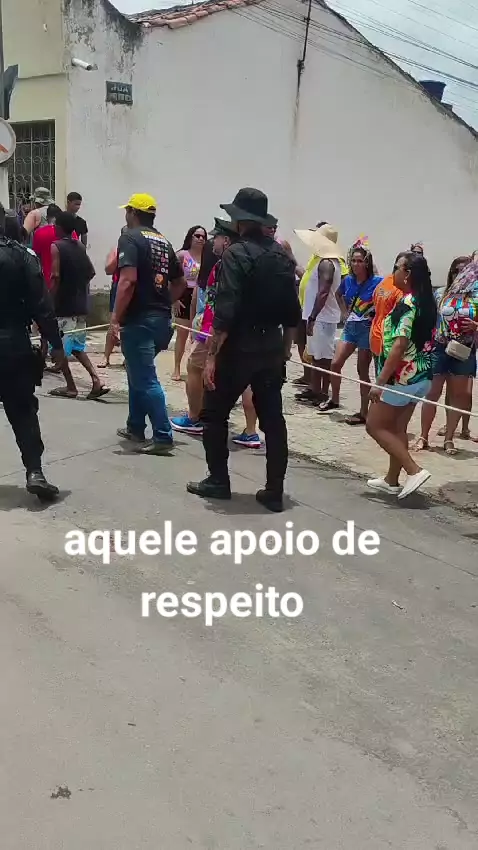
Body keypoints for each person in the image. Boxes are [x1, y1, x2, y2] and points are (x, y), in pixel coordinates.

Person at [187, 187, 301, 512]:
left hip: (237, 348)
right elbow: (292, 312)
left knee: (214, 414)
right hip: (270, 348)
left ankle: (218, 480)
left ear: (239, 220)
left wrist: (212, 357)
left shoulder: (235, 255)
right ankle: (274, 490)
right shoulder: (281, 256)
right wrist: (285, 349)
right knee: (273, 421)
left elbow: (225, 310)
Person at [171, 218, 262, 448]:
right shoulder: (250, 261)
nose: (212, 242)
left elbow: (217, 303)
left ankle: (195, 418)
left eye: (217, 237)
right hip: (245, 330)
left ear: (227, 240)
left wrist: (205, 333)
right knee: (246, 380)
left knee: (194, 367)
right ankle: (251, 430)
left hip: (216, 329)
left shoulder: (224, 265)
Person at [111, 193, 186, 455]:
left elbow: (127, 280)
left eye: (127, 211)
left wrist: (115, 317)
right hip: (161, 321)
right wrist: (163, 301)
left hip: (139, 320)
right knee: (137, 372)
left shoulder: (130, 238)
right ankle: (135, 426)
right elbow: (180, 282)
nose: (125, 215)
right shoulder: (164, 241)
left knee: (145, 379)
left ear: (133, 213)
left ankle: (163, 435)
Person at [0, 203, 65, 500]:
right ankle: (34, 472)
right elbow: (42, 305)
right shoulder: (23, 256)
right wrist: (56, 344)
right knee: (23, 410)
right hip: (13, 343)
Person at [366, 253, 437, 499]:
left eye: (396, 268)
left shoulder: (408, 303)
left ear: (407, 274)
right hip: (422, 376)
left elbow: (399, 344)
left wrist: (379, 382)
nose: (393, 272)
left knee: (374, 425)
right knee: (398, 428)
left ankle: (413, 470)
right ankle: (391, 480)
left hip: (401, 378)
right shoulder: (427, 301)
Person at [414, 256, 478, 455]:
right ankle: (423, 436)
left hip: (464, 349)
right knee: (432, 393)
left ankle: (449, 438)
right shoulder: (441, 293)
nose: (460, 274)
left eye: (464, 270)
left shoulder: (475, 296)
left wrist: (476, 326)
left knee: (458, 396)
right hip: (439, 347)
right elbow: (429, 317)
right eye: (456, 270)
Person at [318, 244, 382, 424]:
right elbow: (338, 294)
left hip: (366, 330)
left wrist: (376, 314)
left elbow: (386, 299)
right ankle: (334, 399)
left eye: (360, 261)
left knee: (362, 371)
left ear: (367, 263)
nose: (355, 264)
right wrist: (344, 312)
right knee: (335, 363)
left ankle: (364, 412)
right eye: (353, 260)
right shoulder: (348, 280)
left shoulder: (378, 282)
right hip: (350, 327)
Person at [48, 212, 107, 400]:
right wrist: (78, 286)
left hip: (64, 306)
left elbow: (55, 276)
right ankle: (96, 380)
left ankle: (71, 386)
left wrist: (49, 299)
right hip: (81, 304)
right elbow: (91, 272)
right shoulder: (80, 245)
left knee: (59, 348)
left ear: (59, 227)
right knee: (76, 347)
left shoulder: (56, 246)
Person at [294, 225, 344, 405]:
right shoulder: (323, 261)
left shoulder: (327, 264)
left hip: (323, 317)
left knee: (324, 358)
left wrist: (313, 317)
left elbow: (323, 292)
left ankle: (322, 392)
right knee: (315, 356)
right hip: (318, 316)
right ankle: (315, 389)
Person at [172, 225, 207, 381]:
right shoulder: (182, 255)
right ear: (190, 237)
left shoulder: (207, 256)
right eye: (197, 236)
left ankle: (195, 367)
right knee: (182, 333)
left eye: (203, 237)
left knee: (198, 334)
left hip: (200, 295)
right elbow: (172, 278)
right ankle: (177, 367)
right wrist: (174, 299)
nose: (200, 239)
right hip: (184, 294)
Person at [369, 253, 406, 373]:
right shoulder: (401, 288)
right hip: (389, 342)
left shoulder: (384, 282)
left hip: (376, 337)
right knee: (388, 380)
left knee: (380, 377)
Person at [99, 227, 128, 369]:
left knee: (130, 325)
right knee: (113, 322)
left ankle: (127, 357)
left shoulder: (140, 249)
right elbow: (108, 269)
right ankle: (106, 356)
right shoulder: (117, 250)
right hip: (119, 286)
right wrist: (120, 255)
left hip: (136, 287)